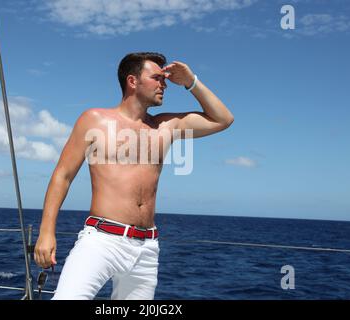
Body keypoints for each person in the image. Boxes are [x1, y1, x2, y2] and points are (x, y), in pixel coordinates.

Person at [34, 52, 234, 300]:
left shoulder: (165, 126)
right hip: (102, 241)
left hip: (147, 248)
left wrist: (190, 82)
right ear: (132, 81)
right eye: (157, 78)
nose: (164, 84)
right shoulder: (94, 119)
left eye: (165, 79)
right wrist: (46, 231)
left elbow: (223, 119)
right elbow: (62, 175)